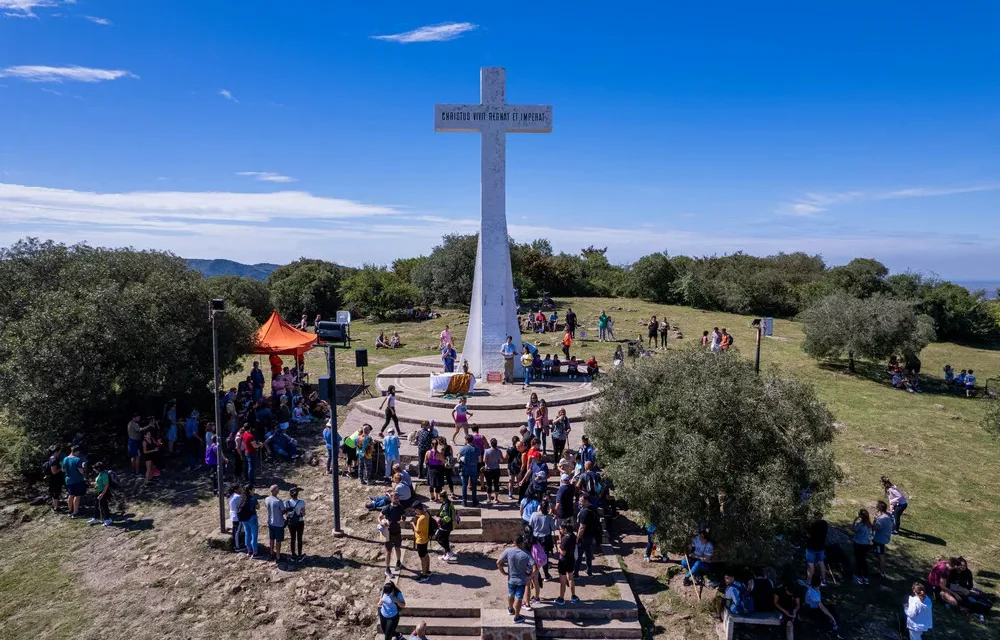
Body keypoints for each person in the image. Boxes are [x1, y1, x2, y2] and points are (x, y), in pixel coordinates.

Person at [498, 535, 535, 624]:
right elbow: (535, 568)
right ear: (522, 542)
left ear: (514, 542)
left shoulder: (508, 551)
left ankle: (510, 609)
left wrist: (503, 572)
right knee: (519, 598)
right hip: (521, 580)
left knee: (511, 594)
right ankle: (517, 616)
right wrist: (530, 576)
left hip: (511, 579)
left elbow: (498, 562)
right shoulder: (526, 554)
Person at [380, 492, 406, 576]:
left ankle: (398, 562)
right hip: (388, 533)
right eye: (395, 498)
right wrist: (381, 523)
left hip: (397, 531)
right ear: (391, 499)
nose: (397, 500)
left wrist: (402, 520)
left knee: (398, 548)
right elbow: (379, 516)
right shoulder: (386, 508)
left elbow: (403, 516)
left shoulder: (401, 507)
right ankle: (387, 569)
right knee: (388, 551)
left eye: (398, 498)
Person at [575, 495, 600, 579]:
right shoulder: (593, 509)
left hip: (584, 536)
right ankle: (589, 571)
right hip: (590, 535)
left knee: (578, 555)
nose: (579, 503)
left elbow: (582, 527)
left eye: (581, 501)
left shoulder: (585, 512)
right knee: (588, 553)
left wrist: (577, 537)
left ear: (587, 501)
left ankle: (575, 573)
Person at [530, 502, 557, 580]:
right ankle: (546, 575)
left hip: (535, 538)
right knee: (545, 557)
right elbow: (554, 528)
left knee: (535, 556)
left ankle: (536, 575)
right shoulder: (549, 517)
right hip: (546, 539)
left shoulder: (534, 515)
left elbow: (530, 526)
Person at [85, 461, 114, 527]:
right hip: (97, 492)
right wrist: (93, 485)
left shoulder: (104, 474)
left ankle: (108, 519)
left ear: (99, 468)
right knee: (96, 506)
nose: (94, 470)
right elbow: (99, 483)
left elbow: (106, 485)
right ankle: (96, 518)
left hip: (102, 493)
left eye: (95, 468)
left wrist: (102, 494)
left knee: (104, 506)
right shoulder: (100, 473)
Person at [236, 485, 260, 558]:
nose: (254, 491)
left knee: (247, 534)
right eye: (253, 489)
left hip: (244, 519)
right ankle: (255, 552)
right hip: (252, 518)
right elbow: (258, 507)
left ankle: (249, 551)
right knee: (254, 535)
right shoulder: (253, 499)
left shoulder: (241, 499)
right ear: (249, 490)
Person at [264, 484, 286, 563]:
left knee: (271, 539)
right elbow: (283, 511)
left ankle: (271, 553)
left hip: (270, 522)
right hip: (278, 523)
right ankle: (278, 555)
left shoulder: (267, 499)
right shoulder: (278, 501)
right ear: (276, 491)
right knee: (278, 540)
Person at [458, 435, 482, 507]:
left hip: (465, 469)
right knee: (474, 485)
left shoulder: (463, 449)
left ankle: (464, 501)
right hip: (473, 469)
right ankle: (474, 501)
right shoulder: (477, 449)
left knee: (464, 485)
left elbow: (458, 459)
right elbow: (480, 460)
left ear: (466, 440)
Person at [872, 500, 894, 578]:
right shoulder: (889, 515)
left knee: (881, 556)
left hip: (879, 540)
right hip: (886, 537)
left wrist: (875, 521)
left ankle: (882, 573)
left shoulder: (881, 519)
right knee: (879, 552)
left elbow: (875, 529)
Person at [411, 503, 431, 583]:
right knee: (426, 555)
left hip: (420, 540)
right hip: (426, 538)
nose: (415, 512)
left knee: (422, 558)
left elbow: (417, 530)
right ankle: (428, 571)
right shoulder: (426, 514)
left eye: (415, 510)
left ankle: (424, 575)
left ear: (418, 509)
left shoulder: (420, 519)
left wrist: (413, 524)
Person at [285, 487, 306, 562]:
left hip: (291, 523)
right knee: (299, 538)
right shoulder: (302, 502)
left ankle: (293, 555)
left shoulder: (287, 503)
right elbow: (303, 514)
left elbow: (286, 512)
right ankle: (300, 555)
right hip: (299, 522)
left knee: (292, 538)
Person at [805, 518, 828, 585]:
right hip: (821, 547)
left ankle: (808, 581)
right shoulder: (825, 524)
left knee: (810, 565)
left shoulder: (814, 525)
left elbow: (809, 535)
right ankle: (823, 580)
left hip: (811, 548)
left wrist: (806, 533)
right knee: (821, 563)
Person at [436, 491, 458, 561]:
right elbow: (441, 512)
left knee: (438, 538)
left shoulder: (447, 505)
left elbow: (448, 517)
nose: (439, 498)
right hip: (447, 525)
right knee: (445, 539)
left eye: (440, 497)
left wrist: (439, 520)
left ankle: (448, 551)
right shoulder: (446, 503)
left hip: (446, 526)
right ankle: (446, 553)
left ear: (443, 497)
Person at [853, 508, 873, 585]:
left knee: (858, 561)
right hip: (866, 544)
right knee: (864, 561)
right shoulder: (869, 525)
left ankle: (859, 577)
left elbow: (854, 530)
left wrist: (854, 521)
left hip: (858, 544)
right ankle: (866, 577)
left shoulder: (859, 525)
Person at [483, 438, 505, 504]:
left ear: (490, 444)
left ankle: (489, 499)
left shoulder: (486, 451)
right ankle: (496, 499)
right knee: (496, 484)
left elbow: (484, 460)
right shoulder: (499, 451)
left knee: (489, 484)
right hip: (496, 469)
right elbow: (502, 460)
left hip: (488, 469)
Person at [227, 484, 244, 552]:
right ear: (236, 489)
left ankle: (237, 544)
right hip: (237, 516)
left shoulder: (231, 495)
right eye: (239, 488)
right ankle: (237, 547)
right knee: (237, 531)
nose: (241, 489)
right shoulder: (238, 497)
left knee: (235, 530)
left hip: (233, 515)